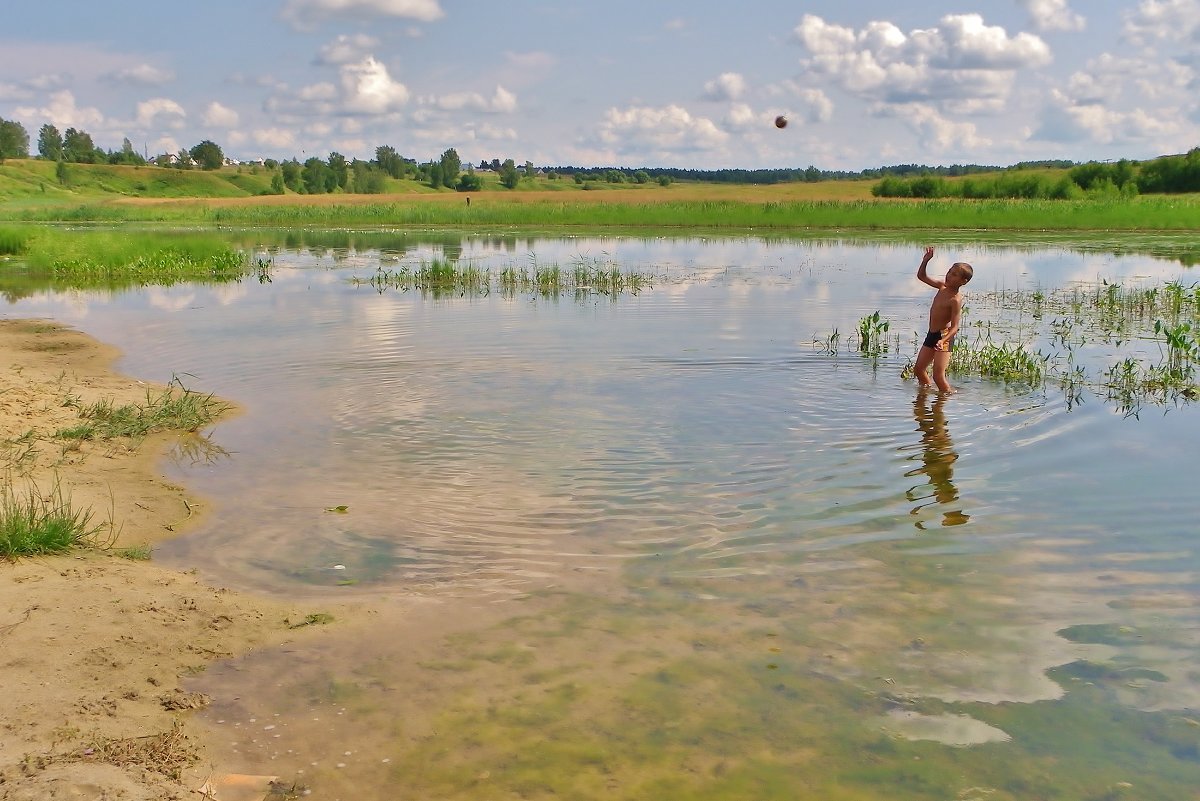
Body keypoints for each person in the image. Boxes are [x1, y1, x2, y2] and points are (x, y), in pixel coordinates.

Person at [914, 246, 973, 393]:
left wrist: (943, 340)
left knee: (938, 376)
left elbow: (955, 327)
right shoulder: (941, 287)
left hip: (943, 337)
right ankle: (924, 397)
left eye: (954, 275)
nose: (948, 276)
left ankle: (945, 400)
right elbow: (921, 277)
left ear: (963, 281)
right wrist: (925, 261)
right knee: (919, 370)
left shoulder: (955, 300)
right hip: (932, 334)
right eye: (949, 272)